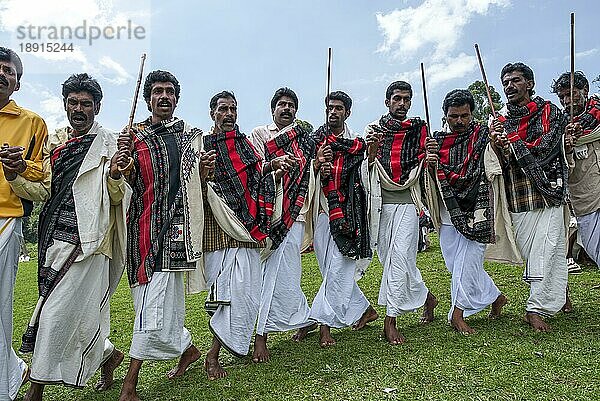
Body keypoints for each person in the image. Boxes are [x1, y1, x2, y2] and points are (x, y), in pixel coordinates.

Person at [21, 73, 129, 400]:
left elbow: (118, 197)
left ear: (97, 107)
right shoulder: (56, 143)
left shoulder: (110, 143)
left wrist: (114, 175)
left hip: (90, 242)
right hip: (53, 238)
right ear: (65, 105)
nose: (78, 108)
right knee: (78, 315)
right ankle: (108, 356)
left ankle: (36, 388)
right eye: (73, 102)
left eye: (86, 103)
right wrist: (14, 174)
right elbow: (42, 190)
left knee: (53, 312)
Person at [118, 70, 208, 401]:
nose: (164, 96)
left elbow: (199, 181)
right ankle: (187, 349)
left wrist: (206, 169)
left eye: (170, 91)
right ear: (148, 99)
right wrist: (121, 161)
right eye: (157, 91)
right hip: (140, 230)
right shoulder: (133, 138)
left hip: (175, 232)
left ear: (177, 98)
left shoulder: (190, 137)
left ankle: (130, 384)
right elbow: (122, 181)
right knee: (152, 302)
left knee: (154, 306)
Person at [201, 91, 294, 379]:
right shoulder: (202, 146)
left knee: (244, 292)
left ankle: (218, 350)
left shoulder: (245, 145)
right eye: (222, 109)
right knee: (222, 293)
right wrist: (203, 174)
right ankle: (212, 354)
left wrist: (274, 167)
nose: (228, 114)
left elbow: (257, 172)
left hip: (247, 226)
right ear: (212, 113)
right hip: (219, 226)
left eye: (232, 109)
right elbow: (194, 183)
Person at [490, 62, 569, 332]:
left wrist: (512, 142)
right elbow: (498, 164)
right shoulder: (499, 122)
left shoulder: (550, 112)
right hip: (518, 196)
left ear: (530, 84)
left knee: (548, 248)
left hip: (549, 192)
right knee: (532, 253)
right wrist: (497, 146)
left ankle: (536, 308)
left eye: (516, 80)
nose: (509, 86)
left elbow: (548, 147)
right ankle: (558, 292)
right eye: (506, 82)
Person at [425, 89, 507, 335]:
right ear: (445, 116)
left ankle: (457, 314)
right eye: (453, 116)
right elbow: (428, 177)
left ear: (472, 114)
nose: (459, 121)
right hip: (449, 210)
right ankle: (496, 297)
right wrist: (428, 160)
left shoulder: (483, 135)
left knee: (468, 263)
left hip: (479, 208)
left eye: (464, 115)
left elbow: (499, 155)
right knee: (455, 264)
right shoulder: (437, 142)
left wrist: (496, 140)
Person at [364, 81, 437, 345]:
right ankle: (428, 298)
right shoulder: (374, 131)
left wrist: (430, 156)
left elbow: (426, 165)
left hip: (408, 203)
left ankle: (390, 320)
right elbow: (366, 168)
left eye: (407, 99)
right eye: (397, 98)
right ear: (387, 102)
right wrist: (370, 153)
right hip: (381, 204)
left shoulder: (420, 130)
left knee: (400, 258)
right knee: (392, 259)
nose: (402, 104)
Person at [249, 88, 316, 363]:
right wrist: (274, 164)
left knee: (284, 274)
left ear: (296, 112)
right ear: (272, 109)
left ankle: (261, 334)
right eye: (281, 104)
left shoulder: (304, 141)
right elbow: (252, 166)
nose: (286, 108)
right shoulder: (259, 135)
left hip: (294, 213)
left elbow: (310, 171)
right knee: (267, 274)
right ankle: (303, 320)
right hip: (266, 213)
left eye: (290, 105)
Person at [309, 90, 378, 348]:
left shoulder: (356, 144)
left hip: (348, 213)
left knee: (338, 268)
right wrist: (317, 165)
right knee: (329, 269)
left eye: (338, 108)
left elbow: (365, 172)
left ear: (347, 113)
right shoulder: (316, 140)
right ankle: (364, 310)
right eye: (329, 108)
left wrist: (369, 155)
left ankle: (323, 323)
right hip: (321, 211)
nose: (333, 112)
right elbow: (306, 171)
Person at [0, 46, 47, 401]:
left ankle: (6, 383)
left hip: (5, 216)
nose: (2, 73)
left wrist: (17, 167)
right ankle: (12, 370)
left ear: (17, 83)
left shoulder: (32, 122)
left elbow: (42, 175)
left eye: (8, 70)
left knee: (2, 302)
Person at [552, 71, 600, 268]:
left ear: (585, 91)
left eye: (571, 94)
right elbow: (559, 162)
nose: (567, 100)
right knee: (594, 247)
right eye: (562, 96)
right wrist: (567, 142)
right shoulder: (559, 127)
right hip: (586, 198)